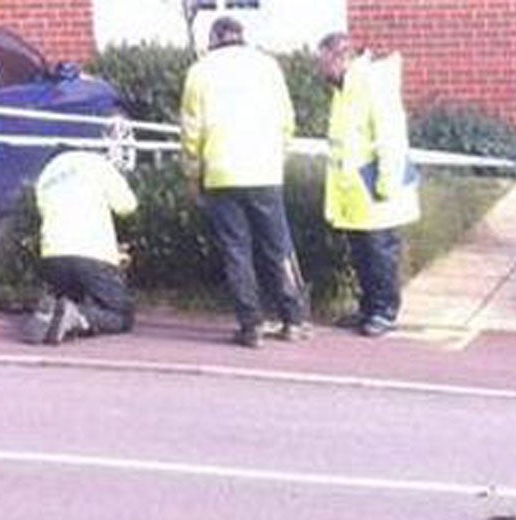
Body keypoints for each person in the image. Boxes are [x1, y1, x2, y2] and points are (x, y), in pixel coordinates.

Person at [180, 15, 309, 347]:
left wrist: (193, 175)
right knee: (277, 246)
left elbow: (191, 132)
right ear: (242, 36)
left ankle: (250, 326)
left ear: (213, 40)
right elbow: (287, 120)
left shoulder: (199, 72)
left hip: (221, 174)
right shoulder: (268, 67)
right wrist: (278, 154)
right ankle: (293, 320)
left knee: (237, 252)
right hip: (265, 172)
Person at [316, 31, 420, 338]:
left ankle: (384, 311)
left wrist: (386, 185)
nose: (321, 71)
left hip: (374, 189)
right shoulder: (345, 89)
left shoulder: (372, 83)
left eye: (324, 63)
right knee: (363, 253)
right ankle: (369, 307)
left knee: (380, 252)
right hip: (354, 193)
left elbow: (389, 137)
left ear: (341, 58)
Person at [23, 145, 138, 346]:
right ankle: (79, 316)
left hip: (52, 256)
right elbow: (127, 206)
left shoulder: (46, 174)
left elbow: (44, 214)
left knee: (70, 297)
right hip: (93, 255)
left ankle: (55, 311)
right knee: (120, 315)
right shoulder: (97, 164)